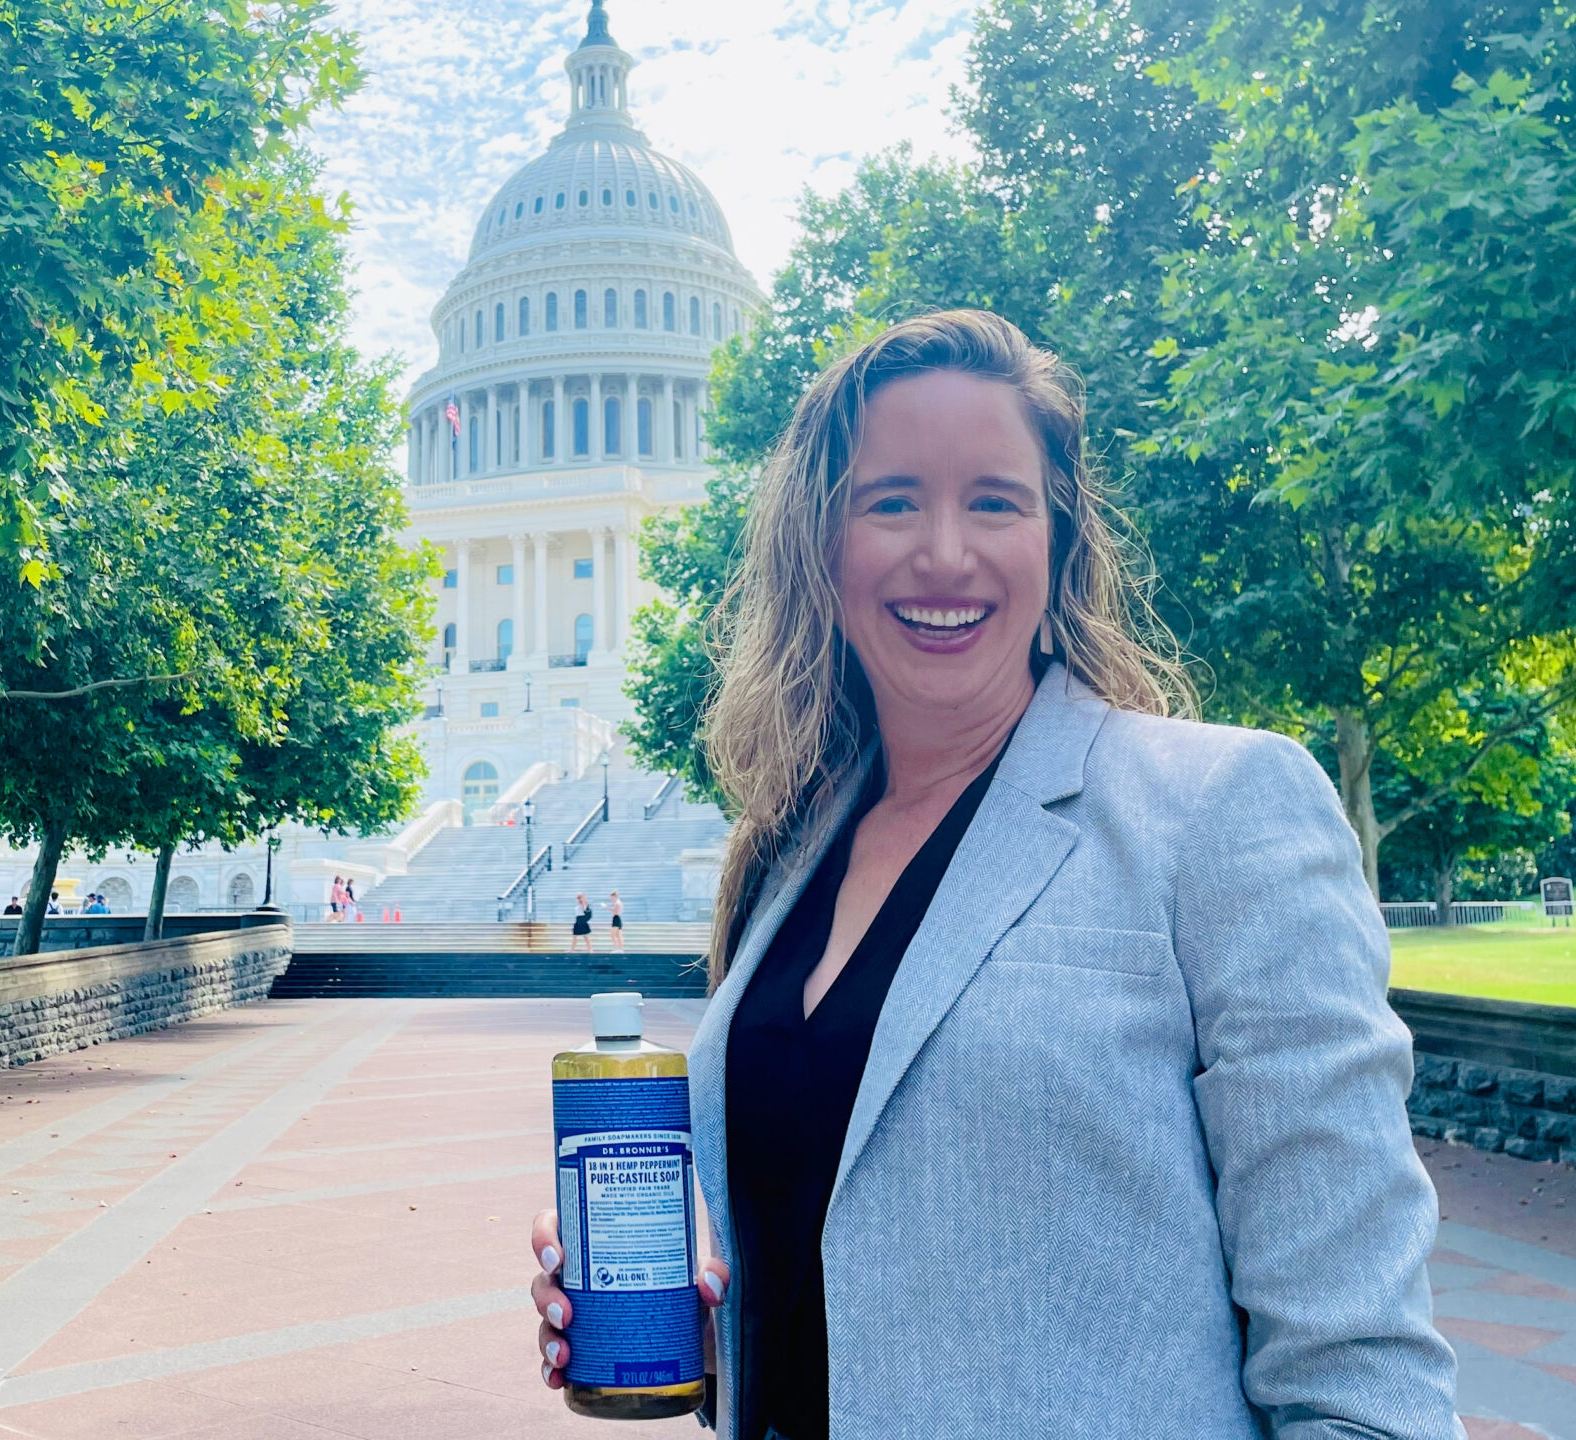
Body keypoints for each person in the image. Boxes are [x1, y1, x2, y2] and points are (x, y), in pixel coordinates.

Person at [529, 311, 1455, 1437]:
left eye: (993, 501)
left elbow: (1358, 1372)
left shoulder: (1215, 811)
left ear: (1058, 537)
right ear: (821, 545)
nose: (944, 553)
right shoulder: (787, 848)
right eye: (892, 501)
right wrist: (685, 1316)